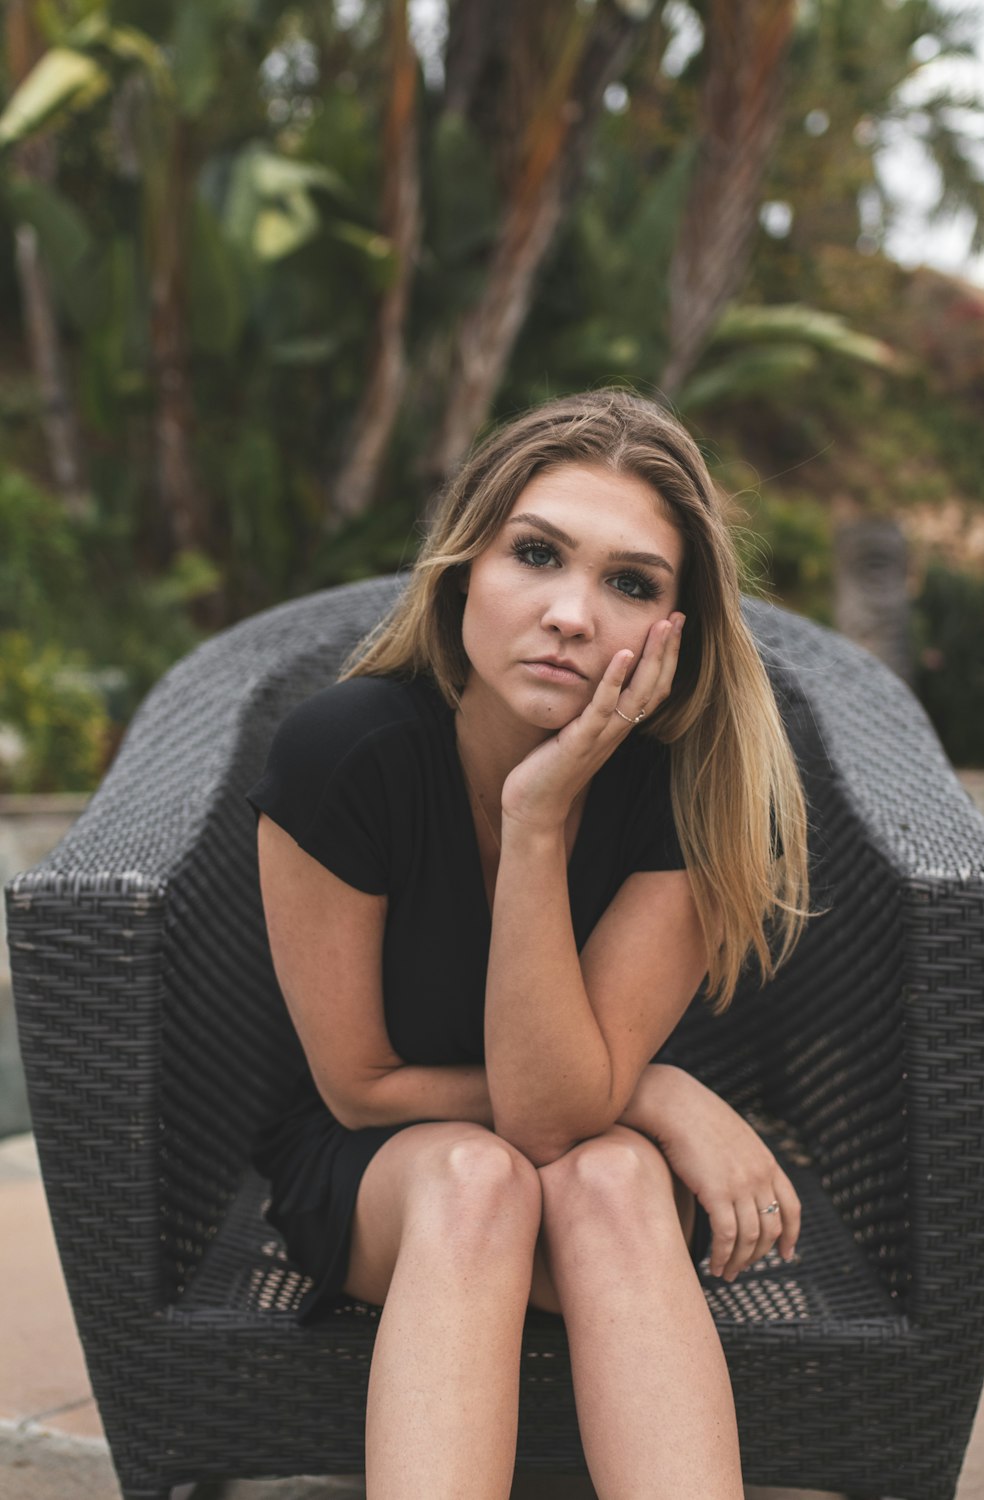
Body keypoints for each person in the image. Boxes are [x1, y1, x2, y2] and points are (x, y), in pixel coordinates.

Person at [247, 388, 810, 1499]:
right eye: (537, 554)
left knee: (601, 1178)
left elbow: (558, 1117)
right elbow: (360, 1088)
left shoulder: (696, 788)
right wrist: (653, 1092)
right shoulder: (345, 755)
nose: (570, 613)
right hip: (384, 1166)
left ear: (672, 630)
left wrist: (539, 818)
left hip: (600, 1171)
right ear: (464, 569)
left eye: (629, 583)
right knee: (480, 1179)